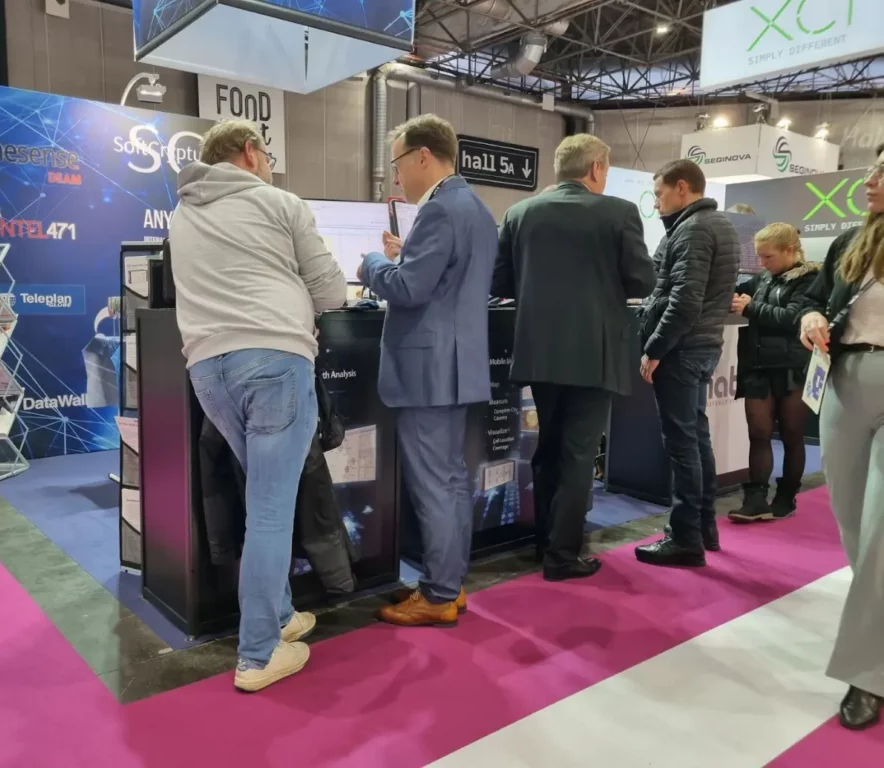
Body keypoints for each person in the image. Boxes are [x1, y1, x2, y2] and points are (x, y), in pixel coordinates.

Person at [169, 119, 347, 692]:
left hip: (207, 370)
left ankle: (281, 615)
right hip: (274, 360)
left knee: (263, 499)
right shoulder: (280, 203)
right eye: (267, 153)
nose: (269, 163)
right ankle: (258, 654)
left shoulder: (182, 214)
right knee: (270, 509)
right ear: (249, 152)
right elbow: (332, 292)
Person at [492, 134, 655, 581]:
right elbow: (643, 281)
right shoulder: (619, 212)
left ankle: (544, 543)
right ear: (597, 168)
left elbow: (499, 281)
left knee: (548, 447)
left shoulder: (520, 213)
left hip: (539, 351)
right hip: (594, 354)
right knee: (579, 453)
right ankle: (562, 555)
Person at [359, 114, 496, 626]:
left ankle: (438, 595)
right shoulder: (474, 207)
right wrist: (406, 256)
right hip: (455, 367)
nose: (396, 176)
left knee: (437, 484)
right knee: (452, 480)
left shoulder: (439, 209)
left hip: (428, 370)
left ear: (422, 156)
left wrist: (373, 264)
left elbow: (409, 289)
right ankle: (448, 583)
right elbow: (446, 279)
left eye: (397, 164)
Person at [799, 144, 884, 730]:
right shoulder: (850, 242)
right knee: (854, 525)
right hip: (846, 381)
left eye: (883, 171)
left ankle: (868, 673)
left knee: (880, 533)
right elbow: (812, 301)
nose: (870, 180)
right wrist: (809, 318)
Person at [636, 159, 740, 567]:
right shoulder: (717, 224)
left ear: (682, 187)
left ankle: (684, 539)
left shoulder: (693, 229)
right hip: (703, 345)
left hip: (682, 349)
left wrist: (655, 349)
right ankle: (703, 528)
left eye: (659, 193)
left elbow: (684, 301)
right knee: (696, 438)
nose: (656, 203)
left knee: (682, 444)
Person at [728, 223, 818, 523]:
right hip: (757, 367)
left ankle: (786, 496)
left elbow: (794, 318)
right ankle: (755, 499)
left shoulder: (811, 279)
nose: (762, 263)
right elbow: (738, 294)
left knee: (792, 435)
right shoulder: (763, 278)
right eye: (759, 256)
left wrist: (751, 307)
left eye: (768, 256)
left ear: (789, 250)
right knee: (758, 434)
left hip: (792, 368)